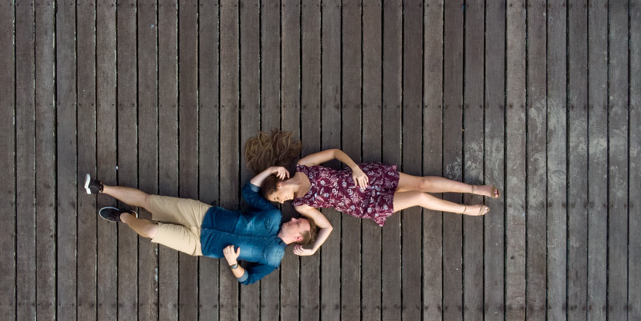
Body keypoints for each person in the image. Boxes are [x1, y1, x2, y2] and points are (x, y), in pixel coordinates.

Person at [244, 130, 500, 257]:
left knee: (421, 183)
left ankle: (474, 188)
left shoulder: (303, 165)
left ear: (279, 185)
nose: (284, 203)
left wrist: (354, 168)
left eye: (279, 199)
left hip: (367, 178)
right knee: (419, 199)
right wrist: (313, 249)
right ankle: (466, 209)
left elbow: (334, 153)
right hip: (366, 204)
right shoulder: (301, 205)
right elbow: (327, 227)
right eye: (281, 203)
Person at [84, 168, 316, 285]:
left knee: (150, 231)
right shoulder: (273, 214)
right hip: (203, 214)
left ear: (298, 238)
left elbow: (247, 279)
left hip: (200, 244)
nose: (293, 219)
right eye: (298, 218)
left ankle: (125, 217)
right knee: (149, 201)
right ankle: (101, 187)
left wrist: (234, 264)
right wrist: (269, 170)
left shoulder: (273, 259)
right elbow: (249, 191)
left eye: (298, 223)